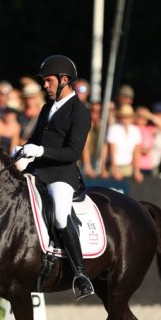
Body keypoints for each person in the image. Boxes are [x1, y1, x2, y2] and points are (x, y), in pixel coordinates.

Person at [14, 55, 94, 301]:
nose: (45, 86)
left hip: (62, 175)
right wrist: (21, 154)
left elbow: (73, 152)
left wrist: (41, 151)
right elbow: (34, 140)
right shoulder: (47, 108)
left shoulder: (80, 112)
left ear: (64, 80)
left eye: (48, 81)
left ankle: (81, 276)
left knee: (60, 214)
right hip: (38, 171)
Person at [103, 104, 144, 183]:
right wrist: (114, 170)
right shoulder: (113, 129)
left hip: (128, 167)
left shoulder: (135, 130)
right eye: (124, 116)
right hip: (114, 167)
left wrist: (137, 171)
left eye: (128, 117)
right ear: (120, 117)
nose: (126, 119)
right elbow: (111, 152)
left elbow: (136, 153)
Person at [81, 101, 101, 178]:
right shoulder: (85, 126)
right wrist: (87, 165)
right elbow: (85, 146)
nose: (97, 114)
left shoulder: (98, 127)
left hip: (94, 160)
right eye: (94, 111)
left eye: (99, 111)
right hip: (82, 164)